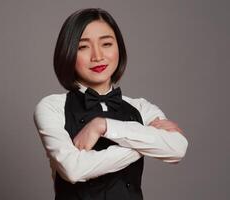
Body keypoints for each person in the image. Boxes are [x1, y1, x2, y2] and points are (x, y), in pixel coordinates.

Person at [33, 8, 188, 200]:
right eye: (83, 47)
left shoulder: (140, 107)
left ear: (119, 48)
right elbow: (73, 169)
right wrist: (145, 143)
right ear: (68, 52)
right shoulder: (52, 106)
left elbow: (178, 147)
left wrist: (103, 126)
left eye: (106, 44)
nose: (97, 56)